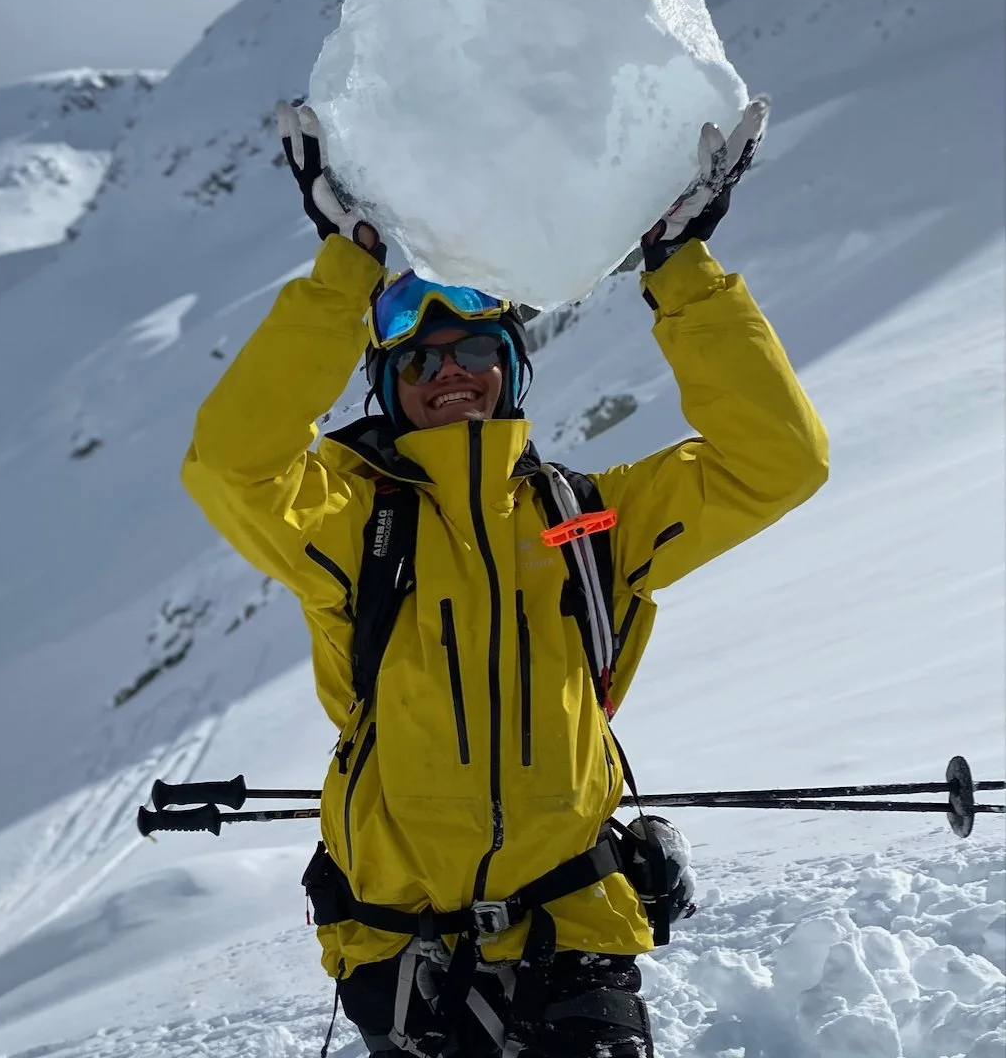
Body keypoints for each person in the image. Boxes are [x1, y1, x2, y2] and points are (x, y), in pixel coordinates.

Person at [182, 98, 828, 1058]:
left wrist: (679, 271)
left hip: (574, 935)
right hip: (406, 954)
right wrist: (345, 269)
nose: (452, 371)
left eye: (478, 350)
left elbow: (778, 460)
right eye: (420, 360)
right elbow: (231, 464)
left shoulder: (589, 521)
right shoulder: (355, 518)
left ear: (514, 371)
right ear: (387, 387)